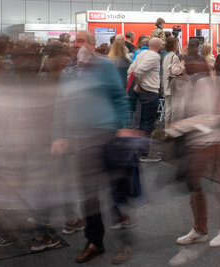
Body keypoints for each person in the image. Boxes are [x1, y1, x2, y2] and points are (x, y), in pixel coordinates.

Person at [51, 31, 132, 264]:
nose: (77, 46)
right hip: (81, 140)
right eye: (75, 42)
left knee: (118, 190)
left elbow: (119, 97)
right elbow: (60, 106)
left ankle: (126, 240)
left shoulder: (105, 67)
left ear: (92, 44)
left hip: (107, 135)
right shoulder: (68, 74)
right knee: (88, 194)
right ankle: (95, 241)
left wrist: (123, 126)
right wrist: (59, 135)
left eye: (82, 41)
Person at [166, 67, 220, 251]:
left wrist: (179, 126)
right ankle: (200, 229)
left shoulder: (206, 83)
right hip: (200, 141)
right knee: (195, 183)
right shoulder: (191, 83)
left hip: (214, 140)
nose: (184, 64)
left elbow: (207, 117)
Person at [127, 37, 164, 164]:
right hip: (149, 93)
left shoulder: (142, 53)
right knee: (147, 124)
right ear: (159, 45)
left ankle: (140, 151)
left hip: (143, 93)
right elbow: (137, 71)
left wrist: (135, 86)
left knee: (142, 123)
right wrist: (139, 85)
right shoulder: (155, 56)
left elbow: (130, 71)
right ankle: (144, 153)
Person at [162, 36, 185, 129]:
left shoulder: (166, 56)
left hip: (167, 85)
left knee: (168, 110)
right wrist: (182, 65)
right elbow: (175, 71)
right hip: (173, 86)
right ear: (175, 45)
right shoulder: (174, 57)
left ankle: (167, 130)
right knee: (175, 110)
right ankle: (172, 130)